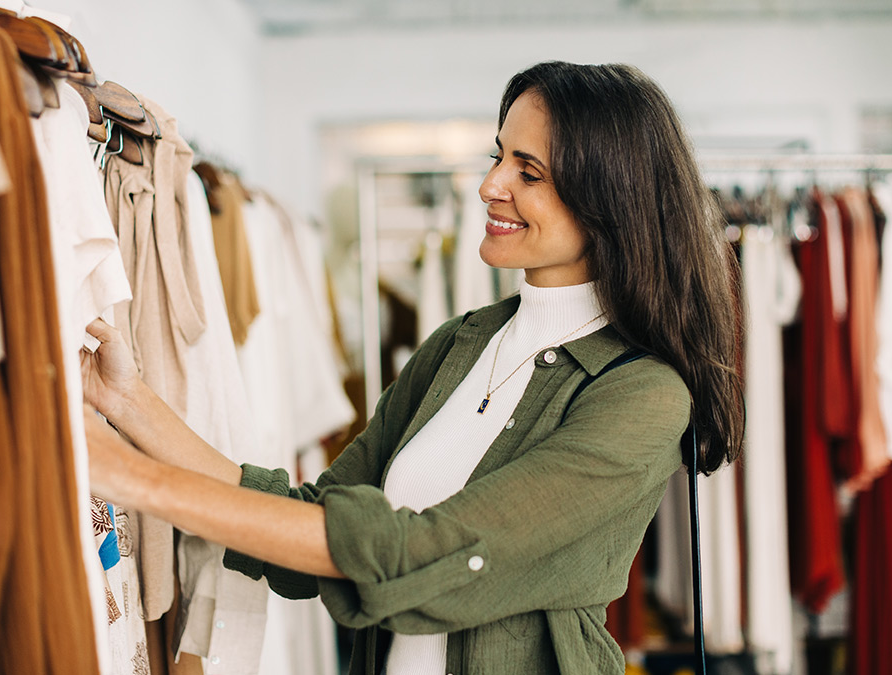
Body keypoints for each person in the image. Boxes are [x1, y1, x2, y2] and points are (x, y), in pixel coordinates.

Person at [82, 60, 744, 675]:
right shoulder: (463, 342)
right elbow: (318, 515)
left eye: (529, 171)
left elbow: (421, 553)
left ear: (610, 201)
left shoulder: (642, 393)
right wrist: (130, 401)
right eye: (498, 156)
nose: (490, 185)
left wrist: (136, 479)